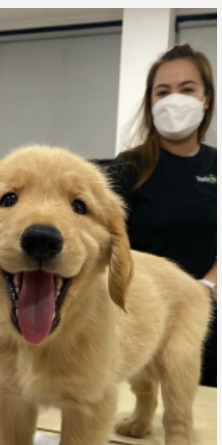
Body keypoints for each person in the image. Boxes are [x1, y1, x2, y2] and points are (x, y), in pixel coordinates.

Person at [109, 44, 217, 387]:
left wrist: (207, 286)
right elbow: (109, 242)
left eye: (187, 89)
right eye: (163, 91)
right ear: (151, 102)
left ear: (206, 99)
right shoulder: (128, 167)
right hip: (138, 316)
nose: (174, 100)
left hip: (205, 313)